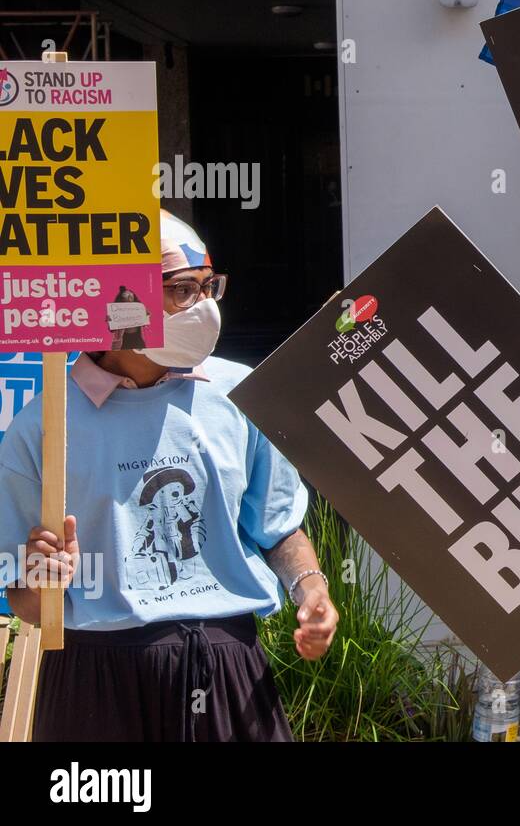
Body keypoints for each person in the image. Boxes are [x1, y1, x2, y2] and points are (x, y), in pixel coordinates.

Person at [0, 211, 337, 741]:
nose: (202, 306)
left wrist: (310, 589)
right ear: (120, 301)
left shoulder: (239, 395)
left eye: (209, 287)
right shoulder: (42, 427)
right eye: (183, 290)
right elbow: (24, 600)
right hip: (94, 678)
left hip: (227, 667)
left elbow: (278, 528)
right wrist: (45, 577)